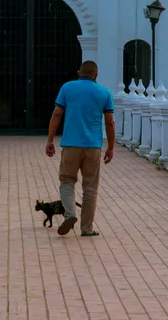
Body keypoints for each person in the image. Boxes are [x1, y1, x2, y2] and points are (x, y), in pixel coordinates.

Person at [45, 60, 115, 237]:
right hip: (93, 146)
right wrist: (111, 148)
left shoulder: (67, 88)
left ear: (78, 73)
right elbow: (110, 122)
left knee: (67, 181)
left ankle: (69, 214)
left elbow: (57, 114)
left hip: (70, 145)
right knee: (90, 187)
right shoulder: (104, 92)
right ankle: (87, 228)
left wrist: (50, 140)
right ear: (96, 75)